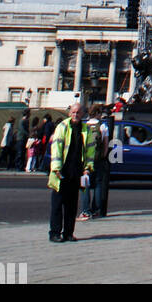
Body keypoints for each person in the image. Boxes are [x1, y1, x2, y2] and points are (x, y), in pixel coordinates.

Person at [48, 102, 96, 243]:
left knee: (71, 204)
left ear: (83, 114)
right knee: (57, 204)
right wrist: (56, 168)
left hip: (76, 171)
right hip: (62, 170)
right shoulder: (62, 126)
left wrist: (88, 168)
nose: (75, 115)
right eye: (73, 112)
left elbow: (90, 151)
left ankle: (69, 233)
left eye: (78, 113)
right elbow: (56, 147)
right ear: (70, 113)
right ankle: (55, 233)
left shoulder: (87, 130)